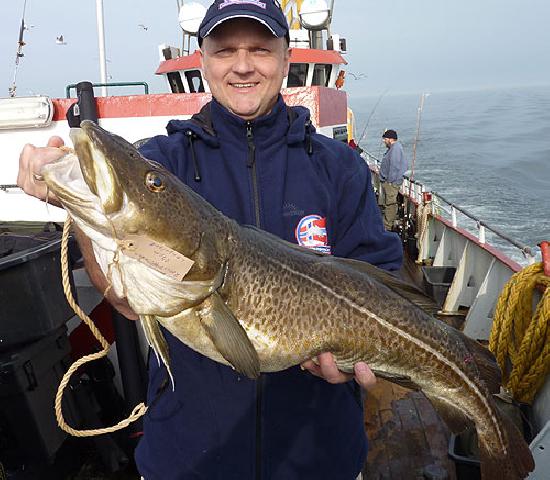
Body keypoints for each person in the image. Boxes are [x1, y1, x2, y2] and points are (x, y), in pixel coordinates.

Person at [17, 1, 403, 478]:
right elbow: (124, 297)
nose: (242, 65)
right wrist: (77, 200)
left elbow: (380, 284)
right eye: (224, 51)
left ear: (286, 59)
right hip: (187, 460)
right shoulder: (163, 162)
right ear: (202, 62)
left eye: (260, 49)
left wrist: (358, 352)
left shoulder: (339, 166)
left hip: (318, 458)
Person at [378, 129, 408, 230]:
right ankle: (387, 224)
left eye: (385, 139)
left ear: (391, 139)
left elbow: (394, 166)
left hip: (391, 183)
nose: (384, 141)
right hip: (388, 181)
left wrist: (390, 182)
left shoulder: (395, 149)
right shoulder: (393, 148)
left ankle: (387, 226)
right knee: (387, 203)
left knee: (390, 204)